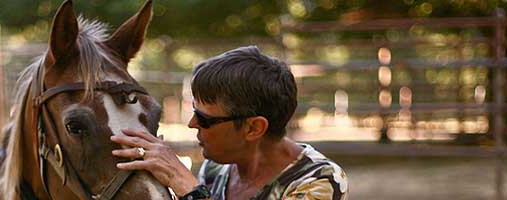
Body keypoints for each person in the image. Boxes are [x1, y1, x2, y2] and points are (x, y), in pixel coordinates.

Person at [111, 46, 348, 200]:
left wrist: (186, 186)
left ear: (253, 128)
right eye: (194, 112)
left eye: (205, 118)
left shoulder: (319, 181)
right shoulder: (216, 169)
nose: (193, 124)